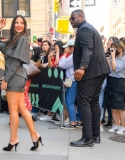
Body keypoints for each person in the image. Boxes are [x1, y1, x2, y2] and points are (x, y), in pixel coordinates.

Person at [0, 16, 42, 151]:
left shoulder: (22, 39)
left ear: (25, 25)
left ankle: (13, 139)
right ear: (13, 25)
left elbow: (15, 62)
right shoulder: (13, 40)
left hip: (15, 77)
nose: (19, 25)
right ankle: (35, 135)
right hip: (17, 76)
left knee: (13, 110)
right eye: (17, 23)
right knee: (21, 109)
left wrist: (5, 79)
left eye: (22, 23)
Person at [69, 9, 110, 147]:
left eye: (73, 18)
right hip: (99, 70)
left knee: (84, 102)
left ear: (81, 17)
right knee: (93, 101)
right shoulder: (88, 28)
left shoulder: (84, 29)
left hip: (91, 71)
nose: (71, 21)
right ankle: (95, 135)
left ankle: (87, 138)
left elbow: (88, 49)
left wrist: (82, 68)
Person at [58, 39, 82, 129]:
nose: (66, 49)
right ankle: (79, 120)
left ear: (72, 47)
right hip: (78, 80)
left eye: (68, 47)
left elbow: (61, 64)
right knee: (77, 102)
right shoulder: (79, 55)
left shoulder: (72, 57)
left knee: (69, 101)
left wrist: (64, 55)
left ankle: (72, 122)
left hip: (73, 81)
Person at [103, 40, 125, 135]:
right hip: (111, 80)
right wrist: (109, 59)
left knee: (120, 107)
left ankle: (123, 127)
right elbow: (108, 69)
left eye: (115, 48)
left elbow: (115, 68)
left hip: (119, 82)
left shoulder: (123, 59)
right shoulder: (114, 57)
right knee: (112, 106)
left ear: (120, 49)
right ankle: (116, 125)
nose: (113, 50)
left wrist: (112, 57)